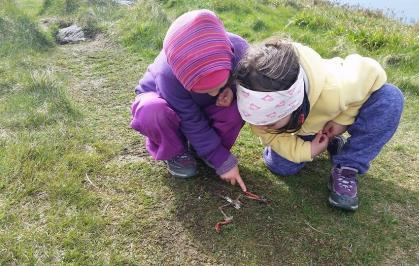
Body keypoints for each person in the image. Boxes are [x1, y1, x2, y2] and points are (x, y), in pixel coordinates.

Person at [234, 38, 404, 210]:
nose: (261, 127)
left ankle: (348, 166)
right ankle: (327, 141)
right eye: (255, 120)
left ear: (293, 106)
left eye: (270, 121)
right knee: (281, 166)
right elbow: (270, 130)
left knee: (390, 98)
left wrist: (342, 120)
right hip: (306, 122)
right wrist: (310, 150)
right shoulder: (259, 110)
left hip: (330, 108)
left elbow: (370, 73)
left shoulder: (336, 89)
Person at [130, 9, 248, 192]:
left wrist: (231, 88)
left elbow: (247, 82)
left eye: (217, 86)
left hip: (203, 107)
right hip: (170, 107)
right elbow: (189, 118)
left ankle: (206, 150)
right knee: (151, 111)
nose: (213, 93)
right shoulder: (167, 74)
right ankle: (176, 152)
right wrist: (222, 161)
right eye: (206, 89)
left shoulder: (240, 51)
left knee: (238, 107)